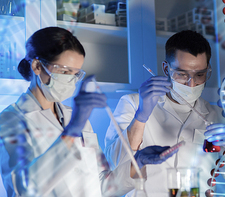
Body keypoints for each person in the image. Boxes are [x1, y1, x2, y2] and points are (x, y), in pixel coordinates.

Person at [0, 26, 176, 197]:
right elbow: (23, 189)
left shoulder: (74, 116)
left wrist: (138, 161)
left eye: (76, 73)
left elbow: (102, 184)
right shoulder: (10, 120)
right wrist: (73, 129)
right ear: (37, 66)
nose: (70, 79)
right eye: (64, 71)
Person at [104, 30, 225, 197]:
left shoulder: (217, 116)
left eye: (200, 75)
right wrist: (141, 115)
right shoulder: (133, 103)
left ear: (208, 70)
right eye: (182, 74)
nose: (191, 83)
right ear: (166, 69)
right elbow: (114, 165)